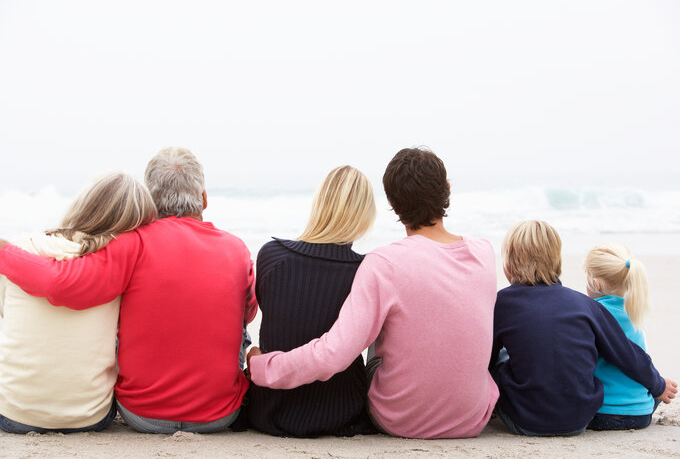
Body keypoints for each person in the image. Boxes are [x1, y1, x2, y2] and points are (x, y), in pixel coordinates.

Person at [0, 147, 258, 434]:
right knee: (238, 320)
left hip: (141, 414)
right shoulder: (236, 249)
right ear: (203, 198)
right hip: (220, 416)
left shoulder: (133, 243)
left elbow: (63, 285)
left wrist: (4, 255)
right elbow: (249, 312)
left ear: (150, 199)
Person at [247, 148, 499, 439]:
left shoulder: (384, 264)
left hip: (400, 419)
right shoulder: (484, 253)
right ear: (448, 189)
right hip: (472, 419)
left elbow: (332, 355)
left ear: (391, 204)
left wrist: (263, 367)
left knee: (377, 326)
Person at [0, 172, 157, 433]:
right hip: (89, 417)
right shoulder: (126, 268)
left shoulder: (21, 248)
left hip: (9, 413)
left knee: (0, 353)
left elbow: (7, 314)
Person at [490, 220, 677, 437]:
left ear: (508, 267)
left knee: (500, 359)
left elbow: (485, 359)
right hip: (579, 419)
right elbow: (626, 353)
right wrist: (658, 385)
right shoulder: (585, 305)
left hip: (523, 420)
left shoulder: (500, 304)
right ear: (557, 262)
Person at [247, 165, 378, 438]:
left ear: (319, 204)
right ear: (365, 216)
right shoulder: (366, 271)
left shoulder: (272, 256)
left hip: (270, 408)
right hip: (341, 411)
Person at [584, 244, 665, 430]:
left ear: (595, 283)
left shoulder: (590, 314)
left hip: (601, 413)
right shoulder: (635, 313)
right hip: (642, 414)